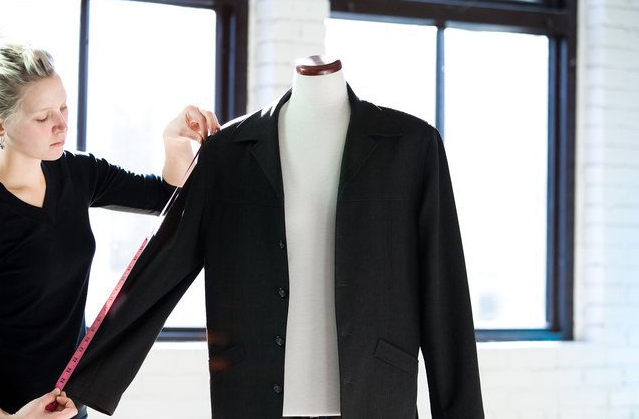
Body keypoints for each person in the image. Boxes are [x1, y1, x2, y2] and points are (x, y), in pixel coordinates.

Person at [60, 56, 484, 418]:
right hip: (254, 394)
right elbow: (163, 260)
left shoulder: (411, 145)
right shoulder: (229, 151)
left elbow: (444, 288)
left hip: (377, 394)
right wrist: (78, 382)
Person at [0, 32, 219, 419]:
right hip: (3, 410)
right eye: (43, 117)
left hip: (70, 406)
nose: (61, 125)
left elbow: (165, 197)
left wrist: (173, 142)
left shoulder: (74, 173)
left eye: (64, 108)